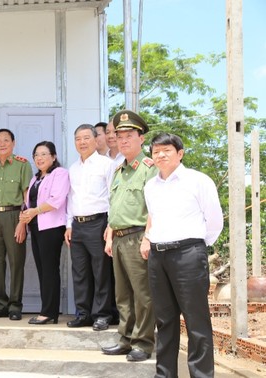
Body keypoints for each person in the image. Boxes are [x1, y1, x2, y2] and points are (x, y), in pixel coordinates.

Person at [143, 133, 223, 377]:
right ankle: (165, 373)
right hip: (158, 256)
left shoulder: (198, 180)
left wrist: (195, 247)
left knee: (196, 319)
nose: (161, 155)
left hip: (188, 254)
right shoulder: (150, 186)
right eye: (156, 151)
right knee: (165, 320)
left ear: (180, 153)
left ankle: (201, 374)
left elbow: (214, 220)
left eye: (166, 150)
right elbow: (153, 219)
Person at [102, 110, 158, 362]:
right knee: (122, 294)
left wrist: (148, 237)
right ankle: (125, 339)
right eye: (119, 136)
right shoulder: (118, 171)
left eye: (129, 136)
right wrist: (109, 235)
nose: (123, 140)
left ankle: (143, 343)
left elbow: (155, 207)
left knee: (142, 294)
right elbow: (115, 206)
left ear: (141, 139)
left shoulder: (149, 168)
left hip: (138, 237)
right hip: (119, 238)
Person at [64, 125, 115, 331]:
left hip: (99, 223)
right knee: (80, 272)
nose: (82, 142)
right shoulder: (72, 168)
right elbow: (70, 199)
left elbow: (113, 197)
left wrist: (110, 226)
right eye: (78, 139)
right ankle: (83, 313)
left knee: (101, 271)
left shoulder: (107, 164)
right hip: (77, 225)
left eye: (86, 138)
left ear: (96, 140)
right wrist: (69, 225)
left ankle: (103, 314)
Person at [0, 128, 32, 321]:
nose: (2, 144)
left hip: (14, 216)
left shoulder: (22, 165)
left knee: (16, 262)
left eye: (6, 140)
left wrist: (23, 222)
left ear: (13, 143)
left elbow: (27, 196)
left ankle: (15, 305)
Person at [19, 141, 68, 325]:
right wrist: (25, 214)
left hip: (52, 228)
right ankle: (48, 310)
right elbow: (29, 202)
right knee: (42, 269)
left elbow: (56, 200)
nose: (39, 158)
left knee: (49, 269)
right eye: (36, 155)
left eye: (43, 154)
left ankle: (49, 312)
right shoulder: (35, 178)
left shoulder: (60, 174)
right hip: (37, 228)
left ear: (53, 157)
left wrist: (33, 212)